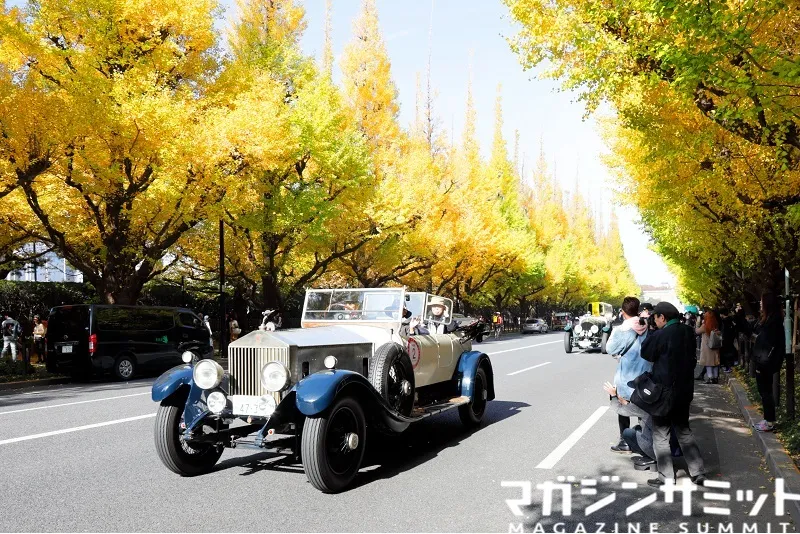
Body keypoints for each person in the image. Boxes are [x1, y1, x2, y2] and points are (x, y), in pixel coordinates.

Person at [640, 301, 707, 487]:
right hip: (684, 390)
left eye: (655, 318)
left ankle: (666, 477)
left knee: (661, 434)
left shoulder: (661, 334)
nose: (654, 321)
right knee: (684, 431)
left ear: (662, 317)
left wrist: (650, 333)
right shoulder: (687, 331)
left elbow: (646, 354)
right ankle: (698, 472)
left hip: (664, 392)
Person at [603, 296, 651, 453]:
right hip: (646, 375)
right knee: (642, 409)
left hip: (626, 377)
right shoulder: (647, 327)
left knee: (623, 408)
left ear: (623, 312)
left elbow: (610, 349)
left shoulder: (620, 330)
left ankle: (624, 441)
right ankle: (644, 441)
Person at [752, 292, 786, 432]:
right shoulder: (772, 319)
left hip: (765, 361)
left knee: (765, 391)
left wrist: (761, 361)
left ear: (767, 304)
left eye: (761, 302)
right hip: (766, 360)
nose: (760, 304)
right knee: (765, 391)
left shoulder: (773, 322)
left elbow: (767, 343)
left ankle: (769, 421)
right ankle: (768, 420)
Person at [696, 310, 721, 384]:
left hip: (707, 346)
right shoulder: (715, 324)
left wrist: (698, 323)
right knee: (715, 362)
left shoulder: (705, 326)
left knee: (708, 362)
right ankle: (715, 378)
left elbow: (697, 331)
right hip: (715, 345)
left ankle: (710, 378)